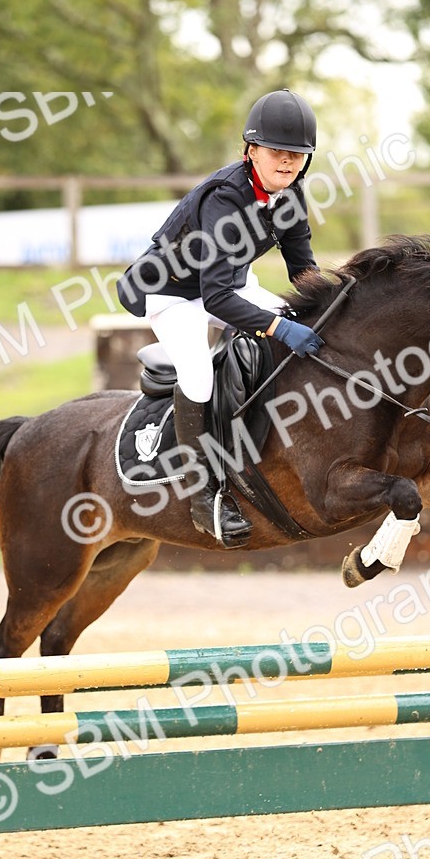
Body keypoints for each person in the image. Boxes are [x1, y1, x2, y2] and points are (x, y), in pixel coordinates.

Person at [117, 88, 324, 546]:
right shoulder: (224, 200)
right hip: (170, 293)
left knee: (302, 327)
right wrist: (281, 327)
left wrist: (329, 305)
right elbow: (216, 300)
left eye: (298, 155)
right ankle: (202, 494)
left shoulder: (290, 196)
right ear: (251, 151)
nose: (288, 163)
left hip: (229, 283)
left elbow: (302, 269)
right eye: (277, 153)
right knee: (198, 376)